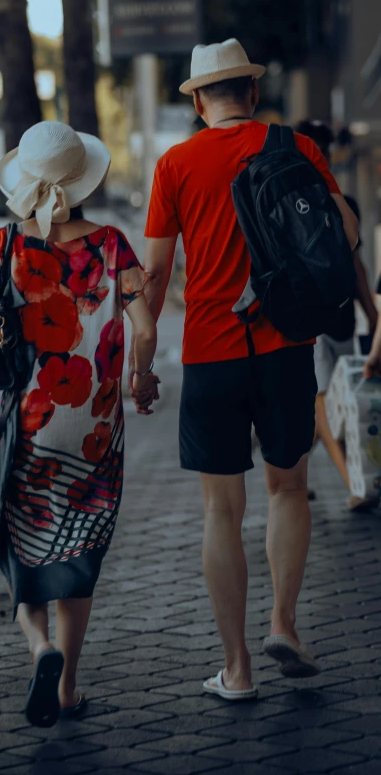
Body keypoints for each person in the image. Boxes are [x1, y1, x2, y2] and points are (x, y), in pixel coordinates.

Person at [134, 39, 359, 699]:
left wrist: (142, 369)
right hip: (286, 345)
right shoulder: (295, 150)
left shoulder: (175, 163)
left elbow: (153, 278)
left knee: (219, 511)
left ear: (200, 100)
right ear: (253, 95)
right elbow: (343, 233)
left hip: (211, 352)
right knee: (288, 488)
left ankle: (237, 670)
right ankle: (284, 624)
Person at [0, 121, 158, 727]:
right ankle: (68, 686)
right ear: (83, 179)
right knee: (80, 547)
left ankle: (39, 648)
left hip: (31, 421)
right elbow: (145, 329)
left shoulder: (5, 243)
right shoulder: (114, 243)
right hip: (96, 428)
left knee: (23, 545)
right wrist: (140, 381)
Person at [295, 121, 378, 510]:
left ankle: (291, 467)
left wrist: (374, 315)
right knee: (326, 403)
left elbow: (356, 266)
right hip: (310, 325)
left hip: (343, 318)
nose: (318, 158)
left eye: (323, 151)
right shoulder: (288, 209)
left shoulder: (347, 206)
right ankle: (356, 484)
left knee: (328, 407)